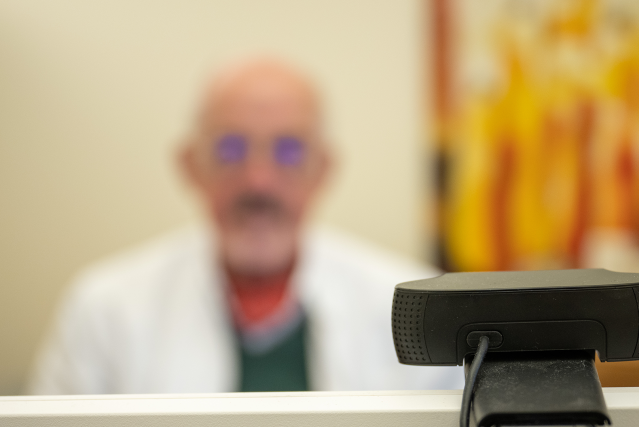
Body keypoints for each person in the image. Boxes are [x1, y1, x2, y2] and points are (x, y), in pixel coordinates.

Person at [28, 59, 462, 394]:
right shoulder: (103, 310)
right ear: (190, 166)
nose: (259, 179)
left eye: (289, 151)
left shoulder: (412, 311)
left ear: (323, 169)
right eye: (231, 149)